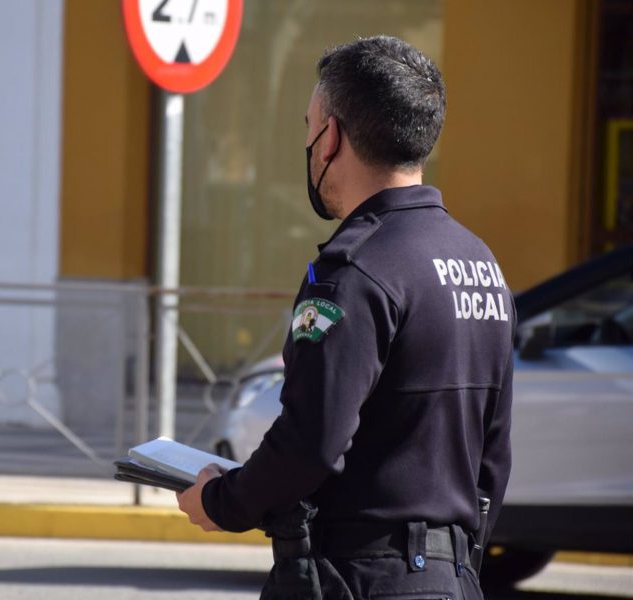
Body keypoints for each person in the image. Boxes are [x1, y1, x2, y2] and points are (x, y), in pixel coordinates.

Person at [176, 35, 514, 600]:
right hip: (453, 579)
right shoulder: (480, 263)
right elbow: (493, 454)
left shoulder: (353, 270)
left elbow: (311, 442)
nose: (308, 143)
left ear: (330, 136)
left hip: (355, 578)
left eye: (309, 126)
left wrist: (221, 500)